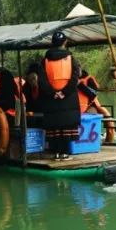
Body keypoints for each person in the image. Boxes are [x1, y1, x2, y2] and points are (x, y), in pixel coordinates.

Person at [36, 31, 81, 160]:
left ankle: (55, 153)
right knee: (66, 125)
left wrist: (52, 93)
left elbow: (42, 81)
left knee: (54, 126)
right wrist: (64, 92)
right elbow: (74, 78)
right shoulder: (71, 59)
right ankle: (65, 153)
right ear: (65, 42)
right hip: (68, 99)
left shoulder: (44, 61)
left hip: (51, 100)